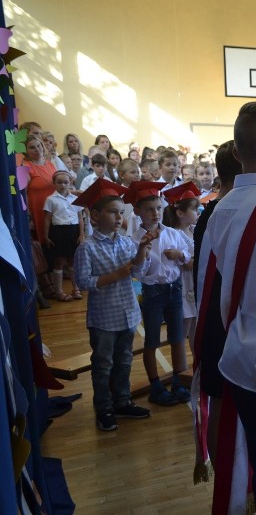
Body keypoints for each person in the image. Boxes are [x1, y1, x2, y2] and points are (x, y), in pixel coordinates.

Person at [197, 100, 256, 513]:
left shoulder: (220, 209)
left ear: (235, 152)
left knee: (247, 447)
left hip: (235, 352)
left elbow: (208, 285)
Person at [73, 178, 155, 431]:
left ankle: (122, 401)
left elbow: (138, 270)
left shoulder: (125, 242)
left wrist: (142, 248)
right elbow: (83, 282)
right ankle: (104, 407)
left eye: (121, 213)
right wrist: (116, 275)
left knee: (124, 361)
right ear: (95, 215)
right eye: (112, 212)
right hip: (103, 319)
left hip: (128, 314)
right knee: (103, 365)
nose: (119, 217)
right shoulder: (87, 248)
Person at [192, 140, 242, 468]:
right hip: (226, 322)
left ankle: (226, 479)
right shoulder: (229, 214)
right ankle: (229, 480)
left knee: (222, 402)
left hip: (212, 321)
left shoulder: (208, 213)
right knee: (226, 404)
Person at [126, 181, 191, 407]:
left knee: (176, 338)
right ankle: (155, 385)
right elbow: (137, 271)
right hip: (152, 292)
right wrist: (143, 248)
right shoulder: (135, 239)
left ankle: (178, 380)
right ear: (137, 212)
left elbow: (189, 254)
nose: (155, 213)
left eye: (159, 208)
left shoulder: (172, 233)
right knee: (152, 340)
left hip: (174, 289)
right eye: (149, 209)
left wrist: (179, 254)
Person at [163, 182, 201, 362]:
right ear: (180, 213)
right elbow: (188, 265)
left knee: (197, 329)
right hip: (184, 286)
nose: (198, 213)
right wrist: (189, 258)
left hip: (195, 284)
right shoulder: (175, 234)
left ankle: (197, 366)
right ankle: (179, 372)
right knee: (182, 330)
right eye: (195, 209)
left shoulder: (194, 230)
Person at [44, 171, 85, 301]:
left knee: (73, 261)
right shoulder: (51, 199)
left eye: (66, 182)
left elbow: (80, 218)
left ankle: (76, 288)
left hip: (73, 231)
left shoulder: (75, 199)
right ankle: (59, 291)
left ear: (70, 183)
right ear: (54, 183)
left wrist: (82, 234)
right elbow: (47, 219)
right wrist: (46, 236)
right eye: (59, 182)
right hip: (58, 231)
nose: (63, 185)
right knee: (59, 261)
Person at [20, 135, 58, 244]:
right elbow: (23, 194)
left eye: (39, 145)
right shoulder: (25, 166)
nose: (37, 149)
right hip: (37, 211)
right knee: (43, 245)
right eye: (32, 147)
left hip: (54, 210)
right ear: (26, 151)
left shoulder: (50, 163)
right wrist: (28, 216)